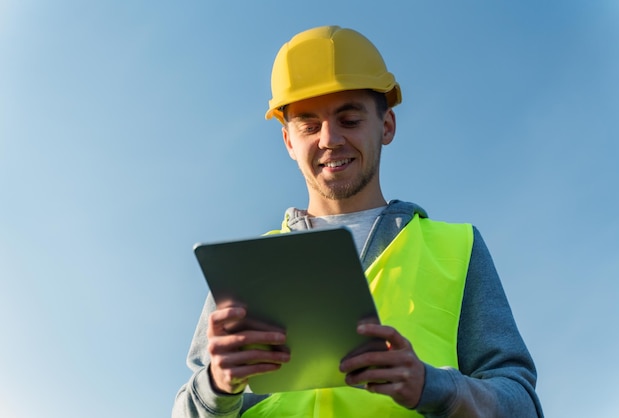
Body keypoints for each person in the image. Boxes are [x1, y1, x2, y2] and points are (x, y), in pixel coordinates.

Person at [172, 25, 543, 417]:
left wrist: (433, 387)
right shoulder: (246, 270)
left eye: (349, 119)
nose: (329, 139)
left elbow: (521, 405)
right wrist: (216, 387)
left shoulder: (458, 248)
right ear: (288, 141)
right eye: (309, 125)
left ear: (386, 127)